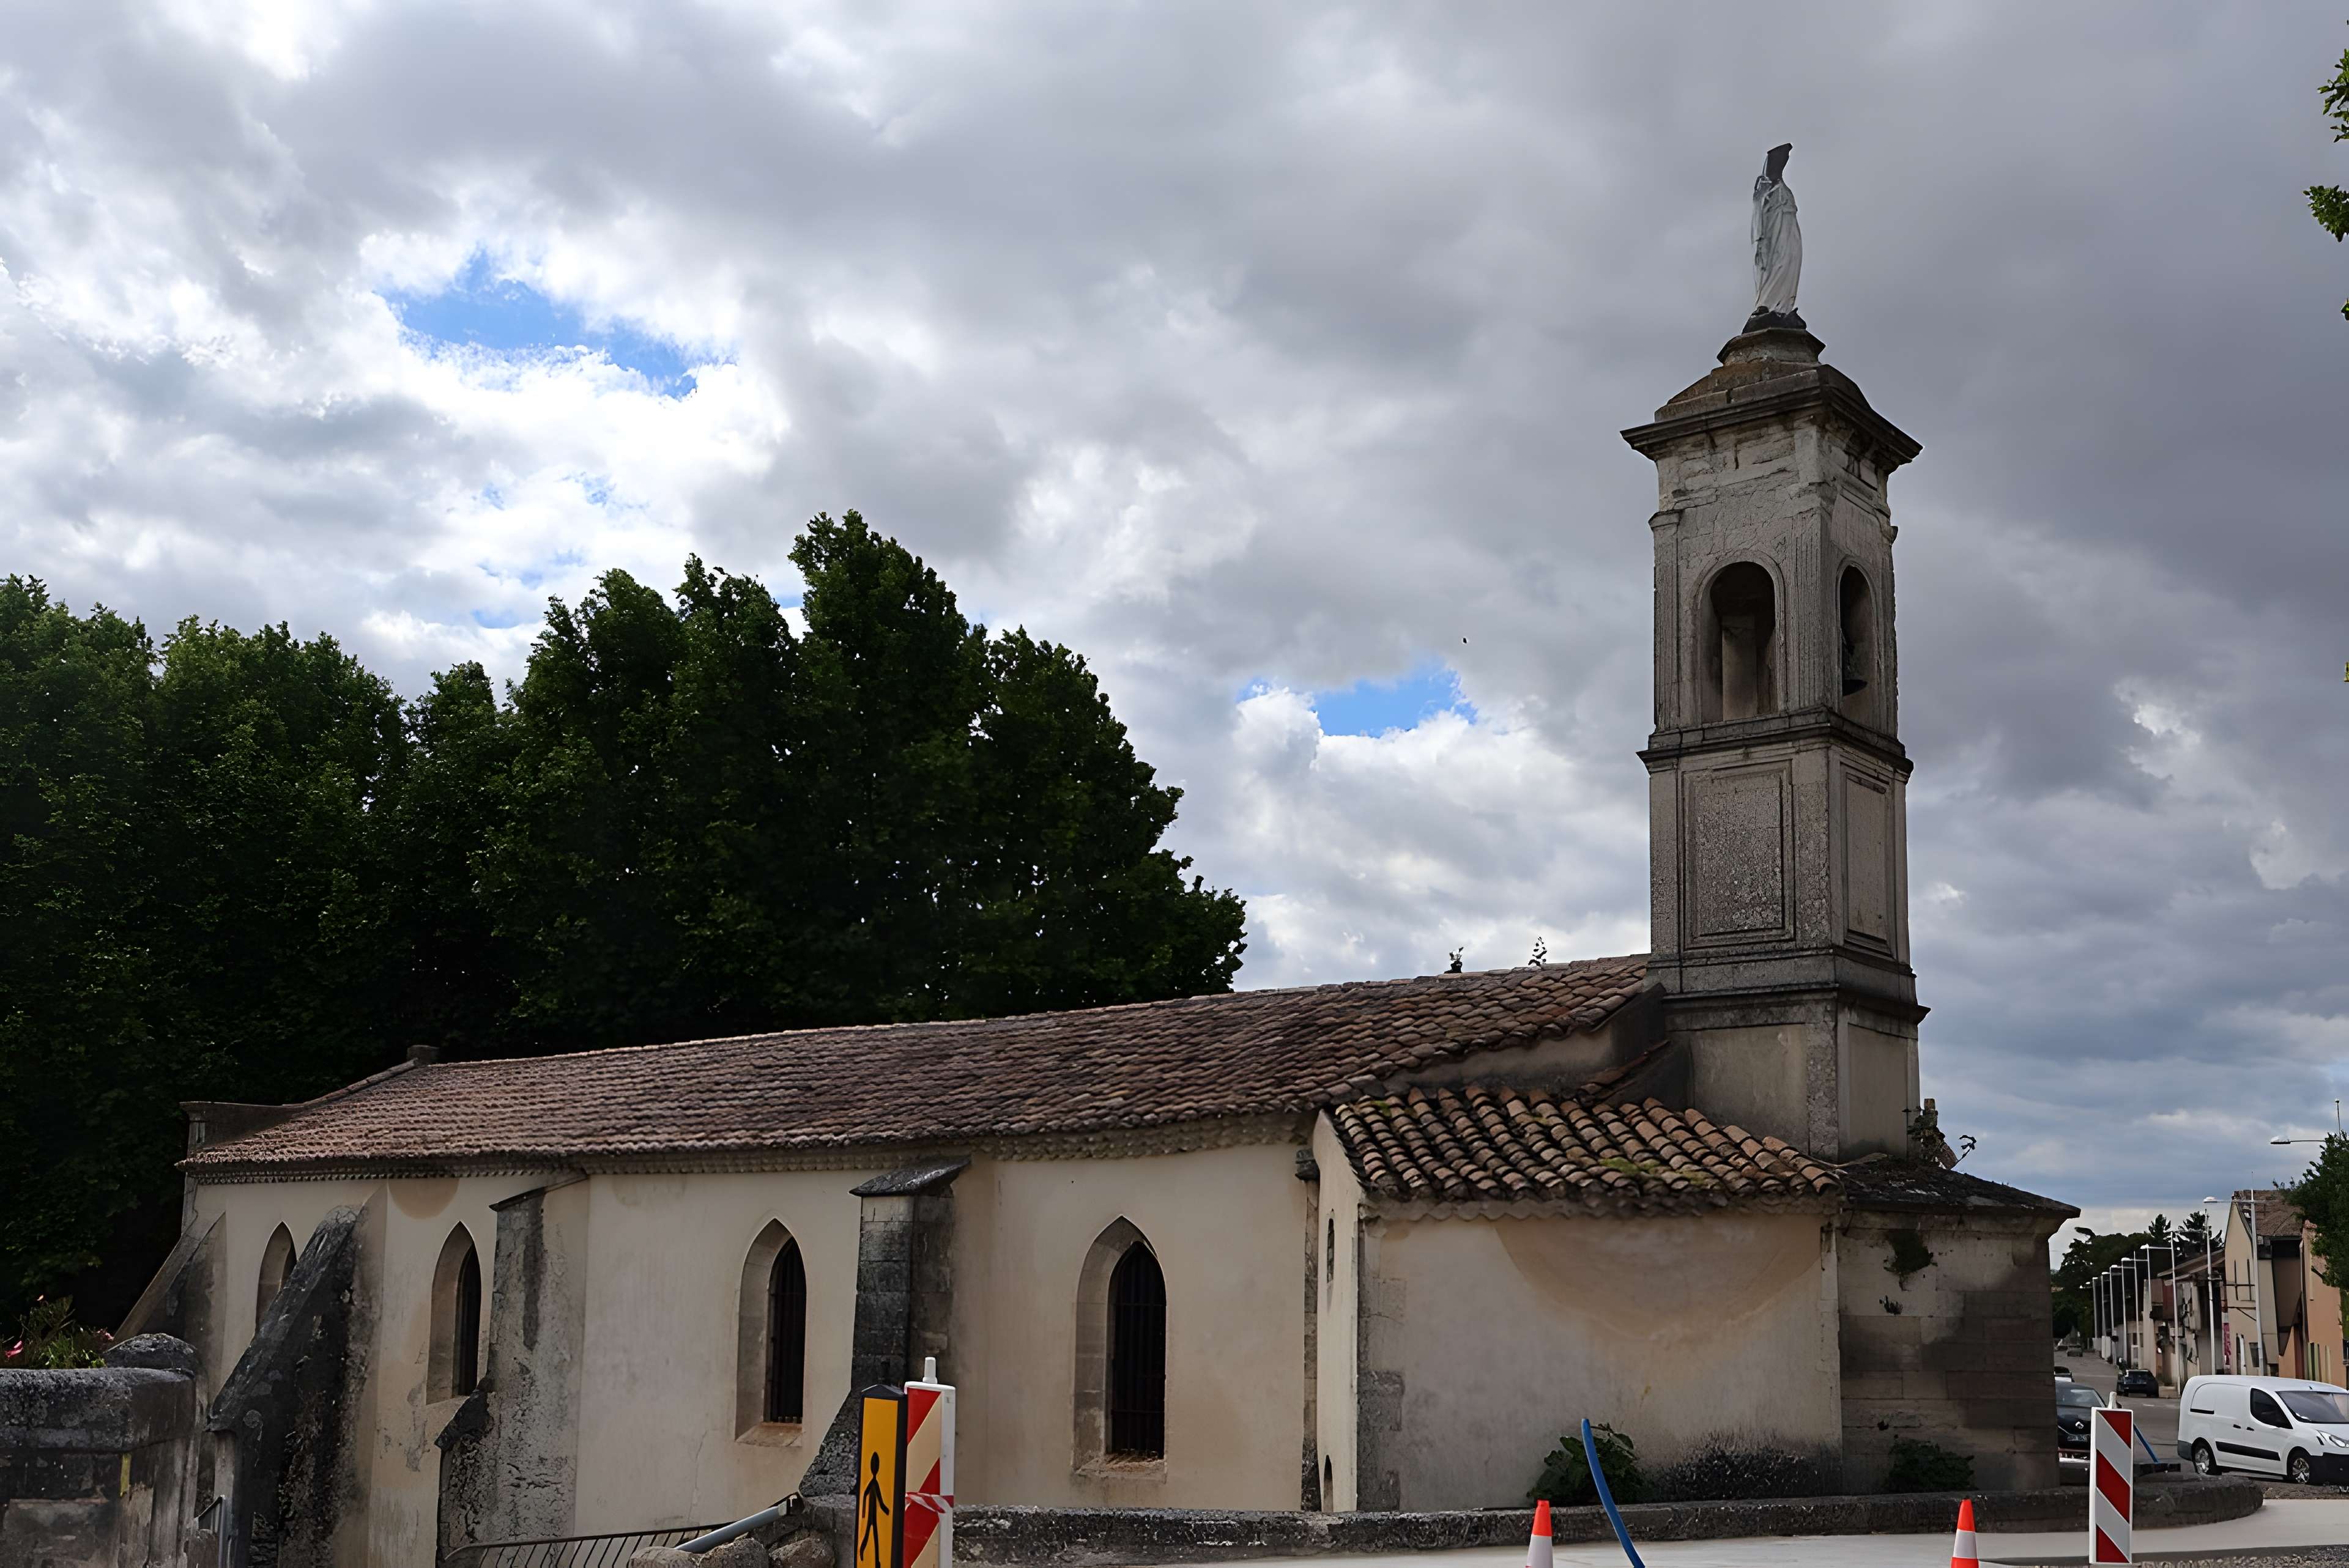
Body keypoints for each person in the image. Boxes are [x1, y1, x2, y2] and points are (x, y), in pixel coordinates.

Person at [1748, 142, 1805, 331]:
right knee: (1777, 266)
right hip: (1773, 237)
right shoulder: (1765, 187)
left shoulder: (1780, 186)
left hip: (1789, 234)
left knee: (1789, 263)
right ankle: (1769, 305)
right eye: (1782, 159)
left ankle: (1783, 308)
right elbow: (1760, 218)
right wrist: (1762, 241)